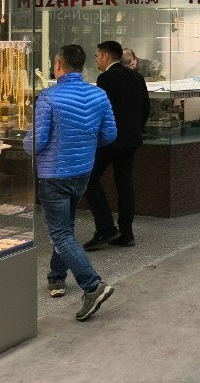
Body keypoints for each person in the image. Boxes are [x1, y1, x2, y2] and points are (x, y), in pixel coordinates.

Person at [24, 44, 117, 320]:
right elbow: (109, 134)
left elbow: (36, 142)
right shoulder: (99, 94)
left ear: (59, 65)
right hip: (82, 172)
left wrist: (24, 143)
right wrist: (85, 146)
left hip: (55, 174)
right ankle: (56, 276)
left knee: (60, 233)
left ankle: (92, 285)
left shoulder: (49, 97)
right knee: (66, 226)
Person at [84, 41, 151, 251]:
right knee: (125, 185)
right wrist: (136, 130)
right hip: (131, 140)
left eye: (96, 56)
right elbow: (146, 107)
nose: (95, 60)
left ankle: (105, 228)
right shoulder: (136, 76)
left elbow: (101, 110)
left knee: (90, 179)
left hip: (110, 140)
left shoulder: (105, 78)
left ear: (105, 56)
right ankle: (126, 232)